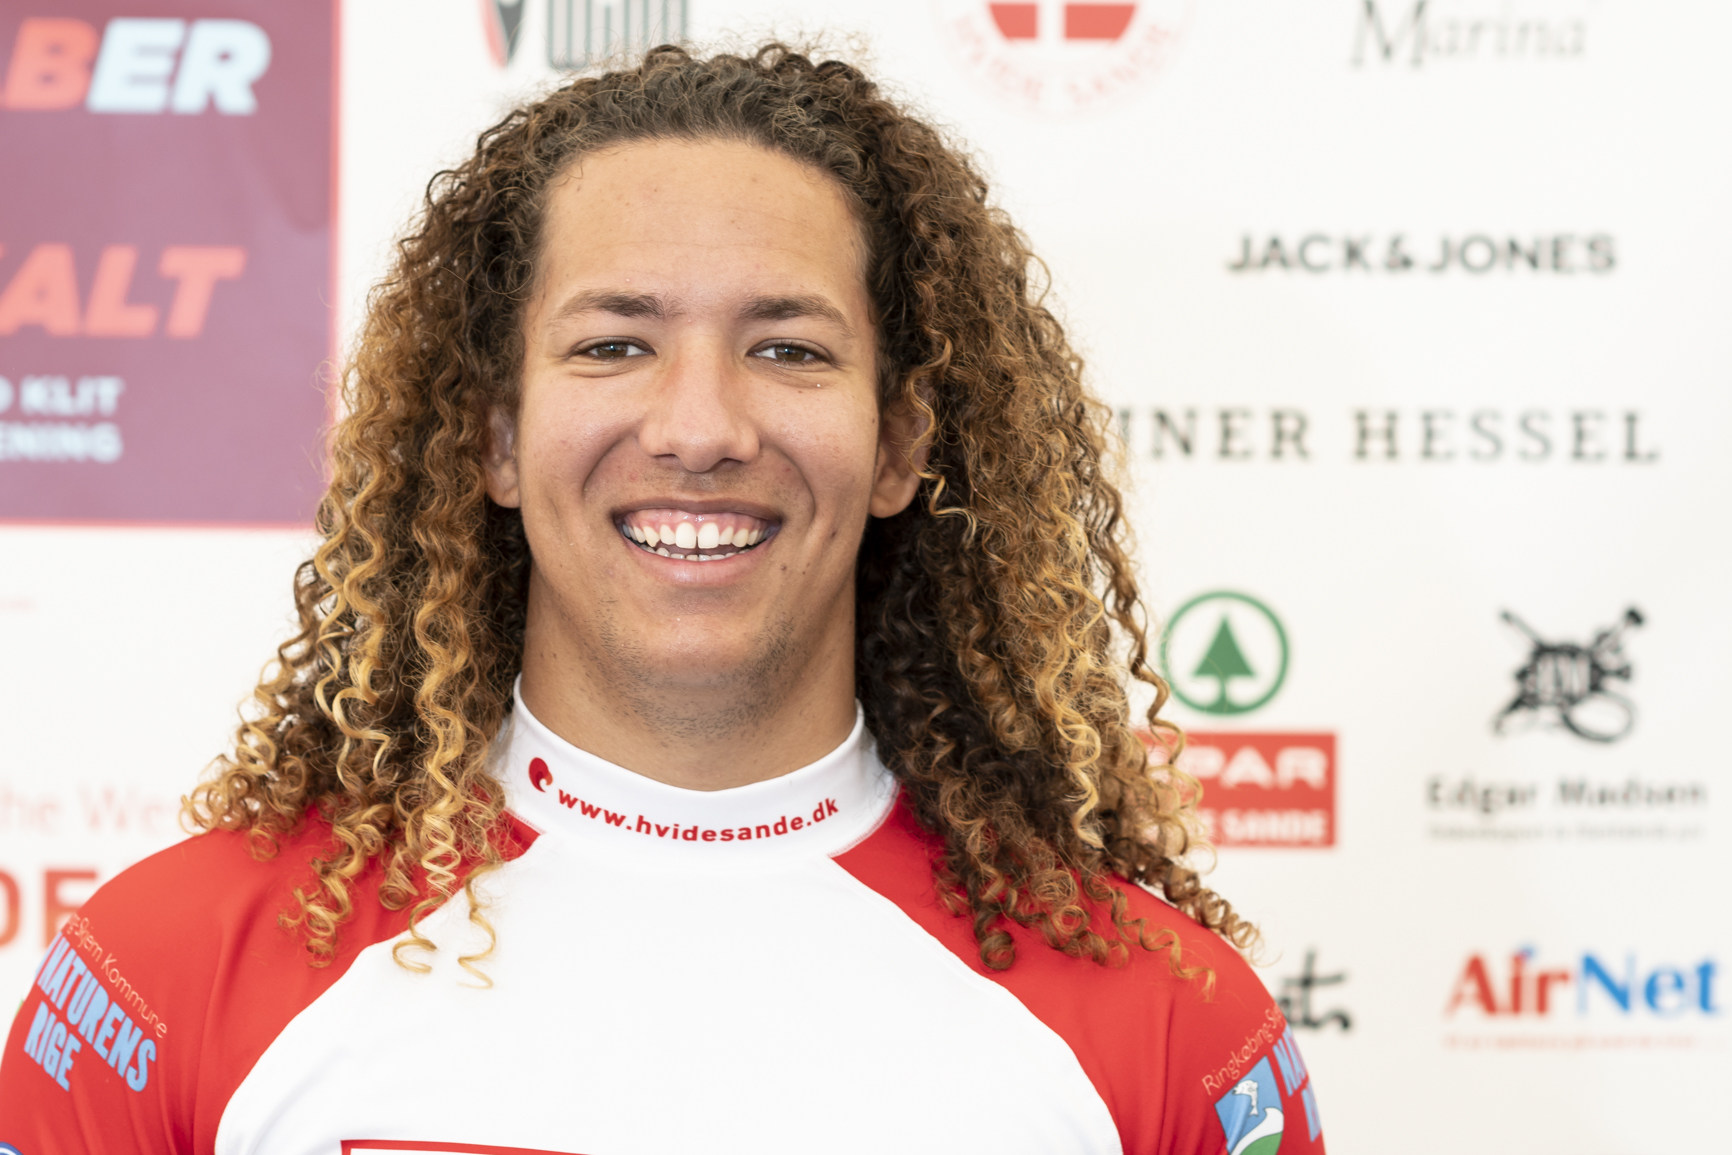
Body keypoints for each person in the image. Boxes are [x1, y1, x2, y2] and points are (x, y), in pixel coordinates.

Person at [1, 43, 1325, 1155]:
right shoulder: (170, 977)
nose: (700, 428)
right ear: (496, 437)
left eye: (788, 349)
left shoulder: (1168, 1030)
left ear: (901, 446)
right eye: (616, 344)